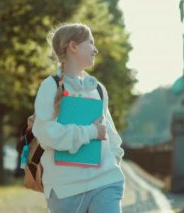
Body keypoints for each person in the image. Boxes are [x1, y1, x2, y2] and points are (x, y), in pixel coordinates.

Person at [32, 23, 125, 213]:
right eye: (90, 43)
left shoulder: (97, 88)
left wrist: (115, 157)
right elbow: (45, 134)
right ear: (73, 47)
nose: (96, 50)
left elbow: (110, 131)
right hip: (66, 189)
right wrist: (90, 132)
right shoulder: (50, 87)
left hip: (106, 181)